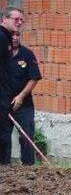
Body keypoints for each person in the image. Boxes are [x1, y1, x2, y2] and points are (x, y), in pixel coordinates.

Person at [7, 30, 42, 165]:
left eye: (17, 35)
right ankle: (4, 168)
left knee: (27, 137)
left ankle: (28, 169)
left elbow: (34, 78)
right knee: (4, 138)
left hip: (24, 105)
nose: (15, 38)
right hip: (4, 104)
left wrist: (21, 96)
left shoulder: (27, 54)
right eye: (12, 35)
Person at [0, 6, 25, 165]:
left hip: (4, 92)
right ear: (4, 19)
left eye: (21, 20)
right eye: (16, 19)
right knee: (3, 133)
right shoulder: (2, 37)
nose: (20, 22)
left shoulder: (6, 37)